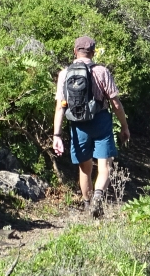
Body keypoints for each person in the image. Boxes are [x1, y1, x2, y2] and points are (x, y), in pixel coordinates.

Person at [52, 36, 131, 218]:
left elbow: (60, 107)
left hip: (77, 124)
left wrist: (57, 134)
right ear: (93, 52)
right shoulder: (102, 71)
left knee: (84, 168)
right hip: (101, 120)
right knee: (105, 165)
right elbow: (116, 104)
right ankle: (98, 196)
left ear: (75, 51)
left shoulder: (64, 74)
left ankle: (88, 207)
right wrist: (125, 126)